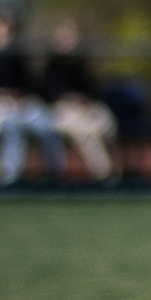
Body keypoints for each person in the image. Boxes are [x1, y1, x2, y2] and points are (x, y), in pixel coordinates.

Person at [0, 11, 64, 187]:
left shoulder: (17, 57)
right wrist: (1, 95)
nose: (3, 38)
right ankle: (10, 179)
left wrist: (20, 96)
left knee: (47, 126)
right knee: (12, 127)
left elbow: (30, 86)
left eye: (7, 33)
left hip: (22, 105)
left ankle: (55, 176)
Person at [39, 17, 118, 183]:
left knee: (106, 123)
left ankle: (112, 167)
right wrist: (68, 98)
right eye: (64, 35)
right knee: (86, 132)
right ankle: (104, 175)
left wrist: (85, 100)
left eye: (71, 34)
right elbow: (48, 92)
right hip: (63, 110)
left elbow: (93, 89)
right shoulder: (52, 64)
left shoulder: (83, 63)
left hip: (87, 107)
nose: (69, 38)